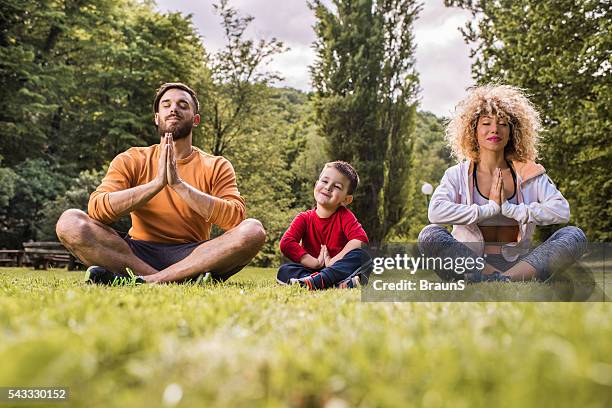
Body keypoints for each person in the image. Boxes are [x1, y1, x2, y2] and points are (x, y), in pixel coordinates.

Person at [55, 82, 266, 284]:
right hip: (135, 254)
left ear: (195, 120)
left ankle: (149, 280)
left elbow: (235, 218)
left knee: (253, 230)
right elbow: (98, 210)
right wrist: (156, 184)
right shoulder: (131, 159)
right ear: (157, 118)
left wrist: (178, 184)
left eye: (183, 105)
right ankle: (169, 279)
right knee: (70, 222)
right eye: (166, 105)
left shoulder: (217, 165)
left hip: (194, 254)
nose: (173, 109)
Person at [418, 84, 586, 282]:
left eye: (503, 124)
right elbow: (435, 212)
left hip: (521, 262)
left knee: (574, 235)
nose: (495, 129)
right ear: (473, 130)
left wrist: (510, 209)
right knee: (430, 235)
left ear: (512, 132)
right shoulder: (457, 174)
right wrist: (487, 210)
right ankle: (494, 276)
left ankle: (504, 278)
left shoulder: (530, 173)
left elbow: (561, 211)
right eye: (486, 123)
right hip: (471, 260)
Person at [277, 161, 371, 289]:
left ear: (346, 199)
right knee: (284, 270)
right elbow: (286, 243)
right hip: (312, 271)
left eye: (337, 186)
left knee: (362, 257)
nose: (328, 187)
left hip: (339, 270)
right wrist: (314, 263)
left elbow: (360, 240)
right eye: (324, 181)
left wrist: (334, 261)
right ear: (316, 185)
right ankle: (332, 283)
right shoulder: (304, 218)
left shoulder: (344, 216)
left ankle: (320, 281)